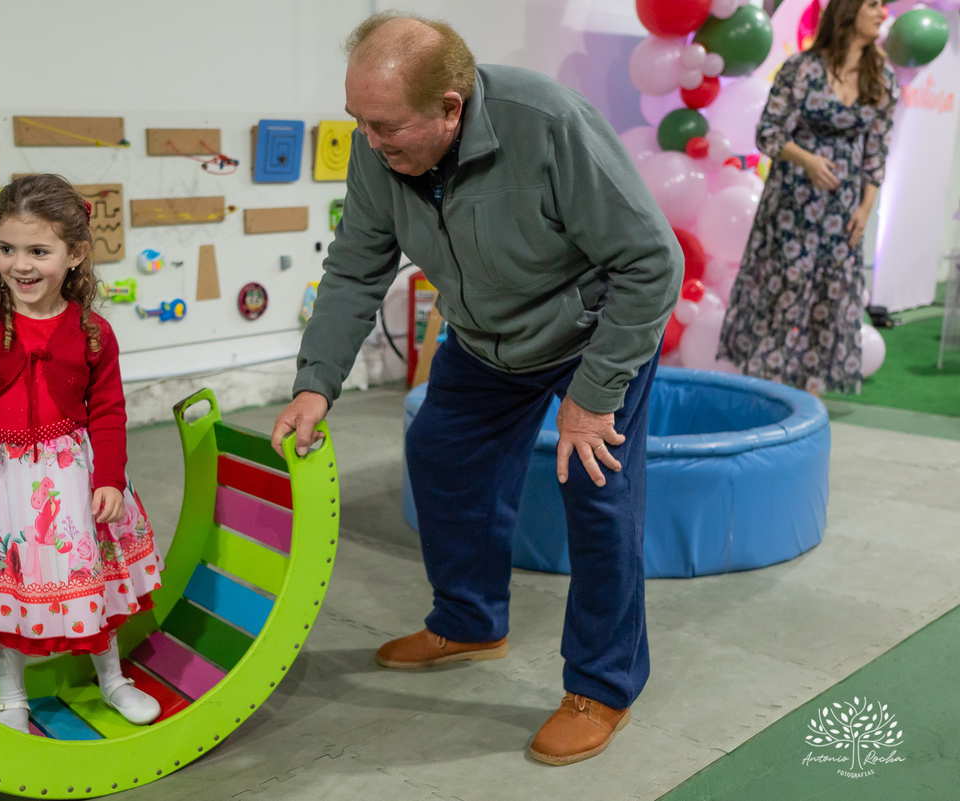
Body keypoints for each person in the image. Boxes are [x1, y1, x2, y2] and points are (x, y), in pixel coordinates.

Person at [271, 13, 682, 765]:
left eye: (385, 124)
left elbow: (652, 263)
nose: (369, 139)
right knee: (440, 449)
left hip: (591, 334)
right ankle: (468, 619)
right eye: (357, 119)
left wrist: (593, 395)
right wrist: (316, 382)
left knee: (597, 495)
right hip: (487, 339)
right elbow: (357, 266)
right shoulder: (382, 148)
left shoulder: (551, 124)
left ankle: (604, 686)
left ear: (450, 109)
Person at [0, 174, 164, 733]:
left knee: (86, 577)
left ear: (76, 255)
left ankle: (112, 678)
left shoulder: (93, 332)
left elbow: (109, 411)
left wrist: (110, 478)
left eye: (38, 251)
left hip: (67, 479)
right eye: (7, 249)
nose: (20, 265)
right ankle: (11, 694)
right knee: (0, 588)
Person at [717, 0, 896, 395]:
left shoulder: (881, 77)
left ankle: (806, 406)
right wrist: (808, 160)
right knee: (782, 298)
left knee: (826, 306)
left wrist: (865, 210)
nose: (882, 13)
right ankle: (766, 395)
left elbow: (876, 153)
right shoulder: (803, 68)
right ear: (848, 12)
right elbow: (769, 132)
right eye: (873, 4)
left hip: (845, 211)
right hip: (792, 205)